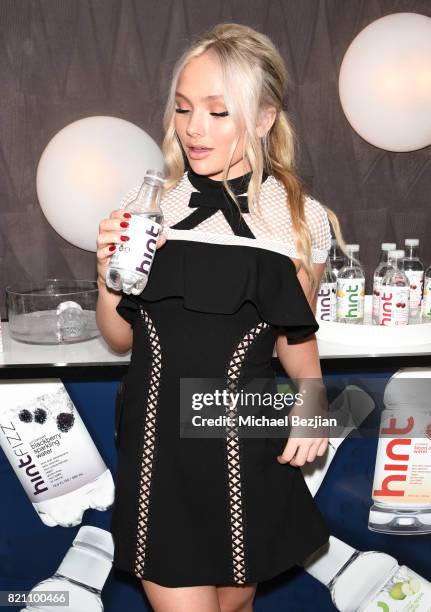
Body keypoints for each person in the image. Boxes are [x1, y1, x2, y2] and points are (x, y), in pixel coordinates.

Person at [96, 22, 348, 612]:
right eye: (184, 109)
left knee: (235, 602)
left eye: (216, 112)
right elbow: (116, 337)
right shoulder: (149, 203)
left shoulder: (299, 217)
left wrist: (313, 403)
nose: (193, 129)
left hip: (243, 434)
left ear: (263, 118)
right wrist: (109, 270)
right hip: (158, 441)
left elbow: (295, 333)